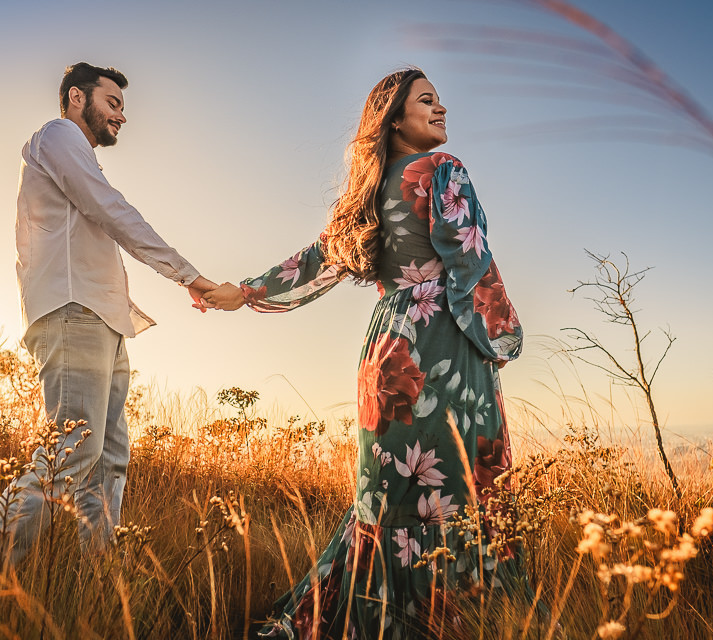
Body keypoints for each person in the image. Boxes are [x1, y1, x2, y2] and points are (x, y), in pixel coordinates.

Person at [205, 68, 534, 639]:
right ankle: (452, 622)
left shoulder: (365, 197)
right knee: (457, 492)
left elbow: (312, 260)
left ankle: (373, 621)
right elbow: (469, 264)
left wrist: (246, 291)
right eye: (426, 101)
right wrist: (501, 337)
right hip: (440, 350)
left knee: (391, 500)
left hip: (386, 357)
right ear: (395, 116)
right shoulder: (443, 170)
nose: (441, 108)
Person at [0, 62, 217, 572]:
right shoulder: (57, 137)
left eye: (122, 107)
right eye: (112, 103)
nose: (121, 115)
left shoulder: (79, 156)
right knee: (71, 454)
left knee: (109, 459)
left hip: (104, 322)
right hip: (74, 315)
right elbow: (110, 209)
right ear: (77, 97)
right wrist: (188, 275)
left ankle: (98, 578)